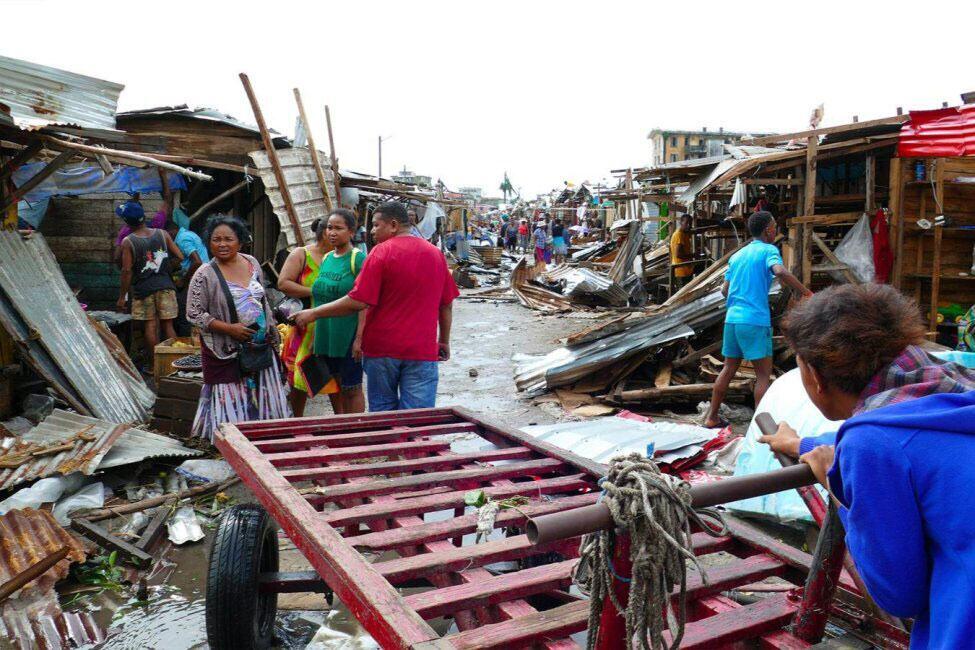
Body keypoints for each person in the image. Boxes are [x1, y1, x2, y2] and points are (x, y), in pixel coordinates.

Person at [757, 284, 975, 649]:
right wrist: (801, 445)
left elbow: (899, 596)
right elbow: (909, 439)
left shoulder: (872, 444)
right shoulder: (955, 390)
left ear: (814, 376)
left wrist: (835, 485)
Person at [294, 201, 458, 411]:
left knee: (383, 415)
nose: (371, 231)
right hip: (422, 349)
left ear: (393, 225)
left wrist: (314, 313)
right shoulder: (435, 254)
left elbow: (358, 300)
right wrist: (443, 341)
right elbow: (446, 304)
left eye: (375, 225)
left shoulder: (380, 253)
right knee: (418, 417)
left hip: (383, 350)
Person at [703, 211, 812, 428]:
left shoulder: (737, 256)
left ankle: (711, 417)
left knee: (728, 369)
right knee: (763, 375)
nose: (776, 230)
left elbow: (725, 290)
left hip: (732, 320)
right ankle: (757, 427)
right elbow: (780, 271)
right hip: (754, 320)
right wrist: (805, 292)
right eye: (774, 226)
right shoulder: (768, 250)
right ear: (767, 230)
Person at [186, 215, 290, 441]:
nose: (222, 244)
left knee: (265, 392)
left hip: (259, 344)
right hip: (225, 349)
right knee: (231, 397)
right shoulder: (204, 274)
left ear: (240, 241)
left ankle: (266, 439)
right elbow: (194, 313)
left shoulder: (252, 263)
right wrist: (229, 328)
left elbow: (262, 300)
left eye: (228, 239)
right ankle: (234, 444)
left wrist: (271, 330)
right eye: (216, 240)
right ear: (209, 242)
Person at [276, 217, 335, 416]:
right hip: (304, 325)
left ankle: (343, 427)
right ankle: (297, 424)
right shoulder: (302, 254)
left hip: (336, 325)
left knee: (336, 378)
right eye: (331, 230)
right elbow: (283, 283)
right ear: (322, 233)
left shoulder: (342, 257)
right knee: (298, 378)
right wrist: (316, 291)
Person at [310, 209, 366, 414]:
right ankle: (342, 429)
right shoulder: (326, 258)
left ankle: (358, 432)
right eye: (329, 228)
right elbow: (320, 297)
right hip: (327, 333)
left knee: (352, 388)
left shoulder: (357, 259)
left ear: (351, 232)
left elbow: (364, 301)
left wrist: (360, 338)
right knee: (335, 386)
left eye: (338, 228)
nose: (332, 233)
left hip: (348, 334)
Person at [116, 200, 184, 361]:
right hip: (166, 286)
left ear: (126, 222)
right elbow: (180, 257)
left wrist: (122, 297)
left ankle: (155, 365)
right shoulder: (162, 234)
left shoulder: (128, 241)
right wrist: (165, 269)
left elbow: (126, 271)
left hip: (143, 290)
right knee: (168, 325)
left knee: (150, 325)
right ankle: (173, 363)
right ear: (143, 216)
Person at [164, 219, 209, 336]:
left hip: (197, 278)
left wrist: (183, 281)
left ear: (170, 232)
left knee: (184, 314)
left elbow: (197, 261)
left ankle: (186, 345)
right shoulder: (188, 234)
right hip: (202, 277)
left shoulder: (182, 239)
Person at [670, 214, 694, 289]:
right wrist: (693, 255)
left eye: (690, 223)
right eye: (686, 223)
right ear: (681, 222)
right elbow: (678, 254)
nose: (689, 225)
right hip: (680, 271)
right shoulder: (679, 234)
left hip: (685, 270)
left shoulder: (684, 234)